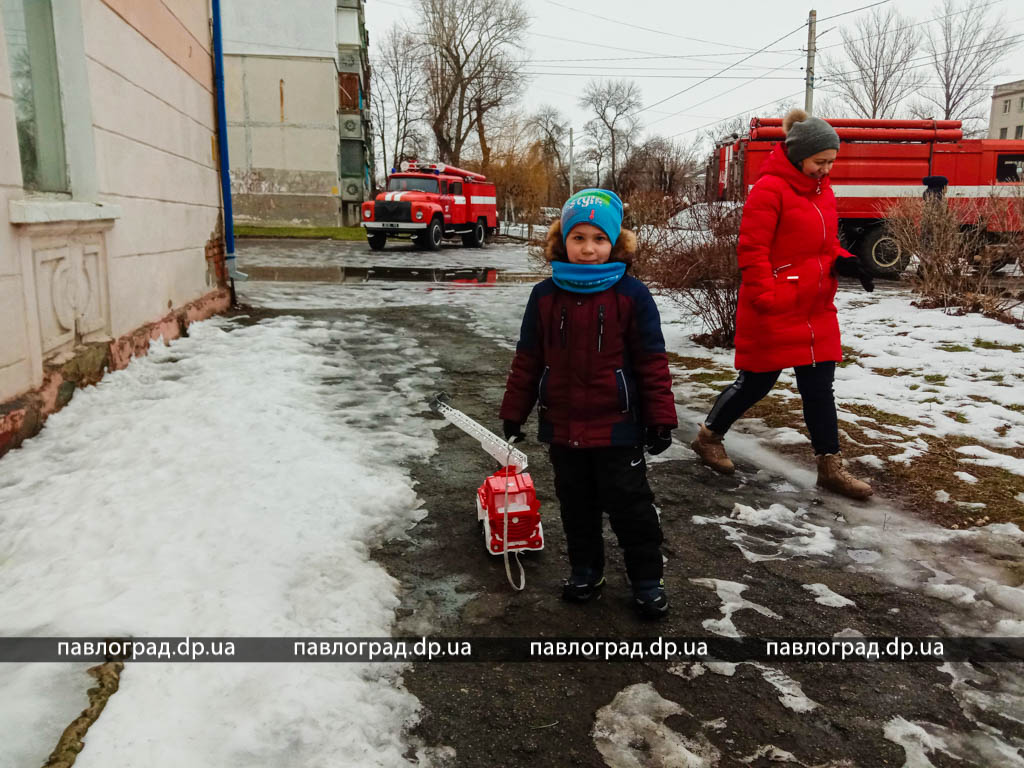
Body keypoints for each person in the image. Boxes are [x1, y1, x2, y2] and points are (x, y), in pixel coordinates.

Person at [499, 188, 678, 619]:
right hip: (562, 424)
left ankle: (646, 580)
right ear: (563, 243)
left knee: (630, 505)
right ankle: (585, 570)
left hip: (618, 425)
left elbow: (651, 360)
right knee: (576, 505)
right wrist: (513, 411)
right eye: (578, 238)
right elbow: (528, 358)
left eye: (599, 239)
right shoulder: (544, 296)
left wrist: (660, 418)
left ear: (614, 244)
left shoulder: (632, 296)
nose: (588, 248)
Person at [690, 109, 875, 500]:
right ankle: (708, 438)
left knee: (819, 389)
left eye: (830, 163)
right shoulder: (769, 189)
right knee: (756, 383)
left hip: (815, 306)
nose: (825, 170)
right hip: (775, 303)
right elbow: (752, 249)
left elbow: (825, 244)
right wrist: (764, 295)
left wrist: (845, 258)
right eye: (820, 162)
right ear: (799, 156)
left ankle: (830, 466)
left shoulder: (823, 192)